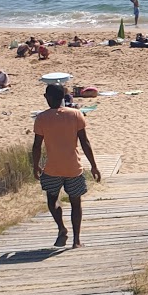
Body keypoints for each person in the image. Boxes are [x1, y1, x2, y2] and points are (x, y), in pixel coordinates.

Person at [31, 82, 102, 248]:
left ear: (46, 98)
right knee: (75, 203)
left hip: (52, 168)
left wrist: (35, 165)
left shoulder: (41, 118)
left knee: (51, 201)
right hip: (73, 167)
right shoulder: (76, 114)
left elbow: (36, 146)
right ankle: (76, 241)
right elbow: (85, 142)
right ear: (63, 97)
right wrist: (93, 165)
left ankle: (62, 228)